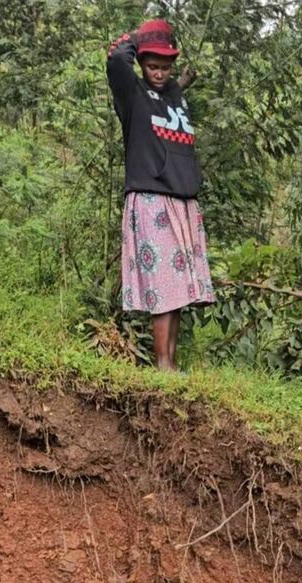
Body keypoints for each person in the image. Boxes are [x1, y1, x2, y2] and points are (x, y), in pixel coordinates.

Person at [107, 19, 214, 370]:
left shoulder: (173, 95)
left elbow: (170, 92)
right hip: (152, 199)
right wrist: (143, 36)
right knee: (165, 286)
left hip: (183, 200)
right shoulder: (132, 95)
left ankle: (171, 363)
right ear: (141, 64)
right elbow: (116, 58)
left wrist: (179, 79)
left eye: (165, 67)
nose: (158, 73)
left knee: (179, 288)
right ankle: (162, 364)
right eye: (152, 66)